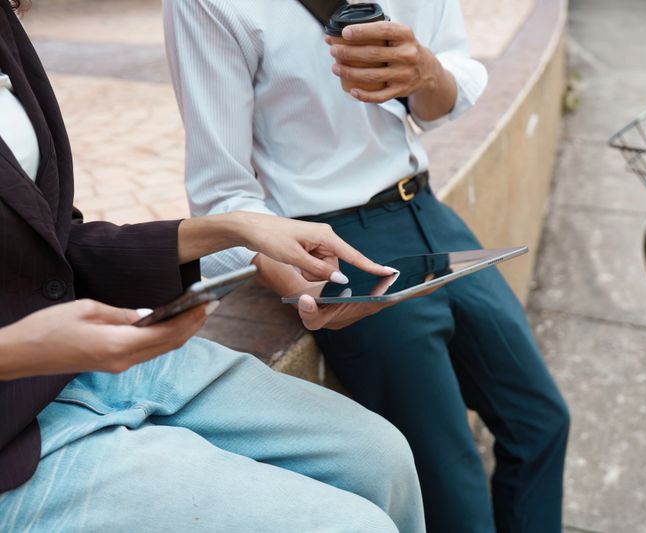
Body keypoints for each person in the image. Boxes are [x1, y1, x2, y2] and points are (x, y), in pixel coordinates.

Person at [0, 1, 425, 531]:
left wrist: (234, 231)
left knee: (380, 455)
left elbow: (49, 240)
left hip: (81, 370)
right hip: (13, 434)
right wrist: (19, 350)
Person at [164, 1, 571, 531]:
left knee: (540, 420)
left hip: (429, 212)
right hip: (335, 241)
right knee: (449, 482)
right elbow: (221, 194)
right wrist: (286, 268)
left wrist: (427, 73)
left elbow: (442, 94)